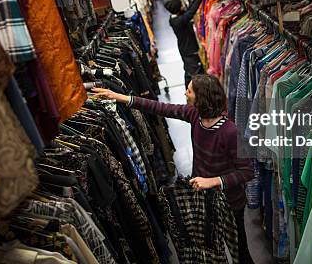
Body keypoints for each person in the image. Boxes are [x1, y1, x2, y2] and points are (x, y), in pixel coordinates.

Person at [92, 74, 255, 264]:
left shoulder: (230, 131)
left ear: (201, 97)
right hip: (203, 198)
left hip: (230, 202)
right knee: (209, 248)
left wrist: (214, 181)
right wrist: (122, 98)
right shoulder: (195, 116)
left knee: (240, 250)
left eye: (189, 90)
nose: (185, 93)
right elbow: (161, 108)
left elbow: (247, 171)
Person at [164, 0, 210, 87]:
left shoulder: (175, 18)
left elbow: (188, 10)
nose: (184, 6)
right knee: (197, 75)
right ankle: (198, 96)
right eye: (182, 5)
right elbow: (190, 13)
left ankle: (189, 93)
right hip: (189, 51)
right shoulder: (178, 21)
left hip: (186, 50)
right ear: (178, 9)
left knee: (189, 72)